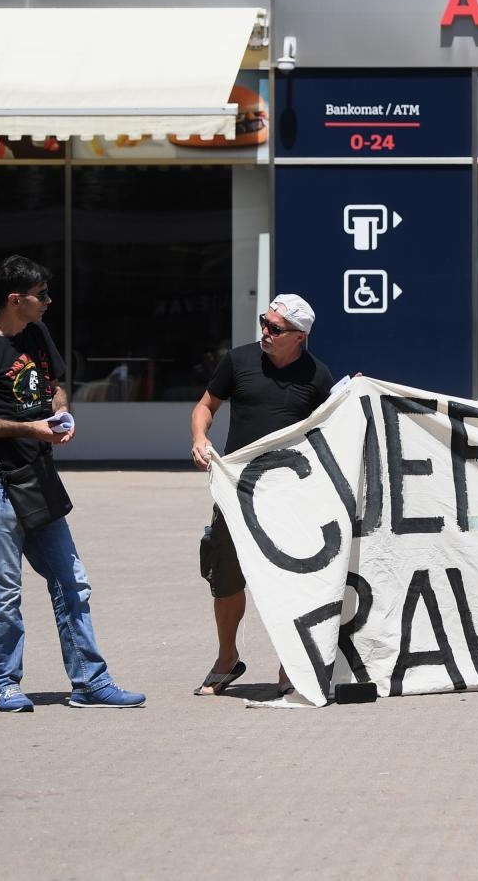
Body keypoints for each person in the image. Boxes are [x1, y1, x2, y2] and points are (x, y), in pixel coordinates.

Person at [0, 256, 145, 711]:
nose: (49, 302)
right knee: (5, 590)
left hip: (39, 479)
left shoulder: (36, 333)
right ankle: (3, 684)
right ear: (16, 299)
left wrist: (60, 412)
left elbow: (55, 383)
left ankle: (90, 682)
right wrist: (29, 429)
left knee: (72, 581)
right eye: (41, 295)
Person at [190, 294, 332, 701]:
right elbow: (205, 406)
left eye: (274, 328)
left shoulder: (317, 377)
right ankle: (226, 658)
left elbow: (329, 434)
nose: (265, 333)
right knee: (226, 578)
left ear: (299, 337)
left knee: (288, 583)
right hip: (236, 492)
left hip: (289, 498)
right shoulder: (238, 361)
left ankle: (291, 665)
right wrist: (200, 438)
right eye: (264, 322)